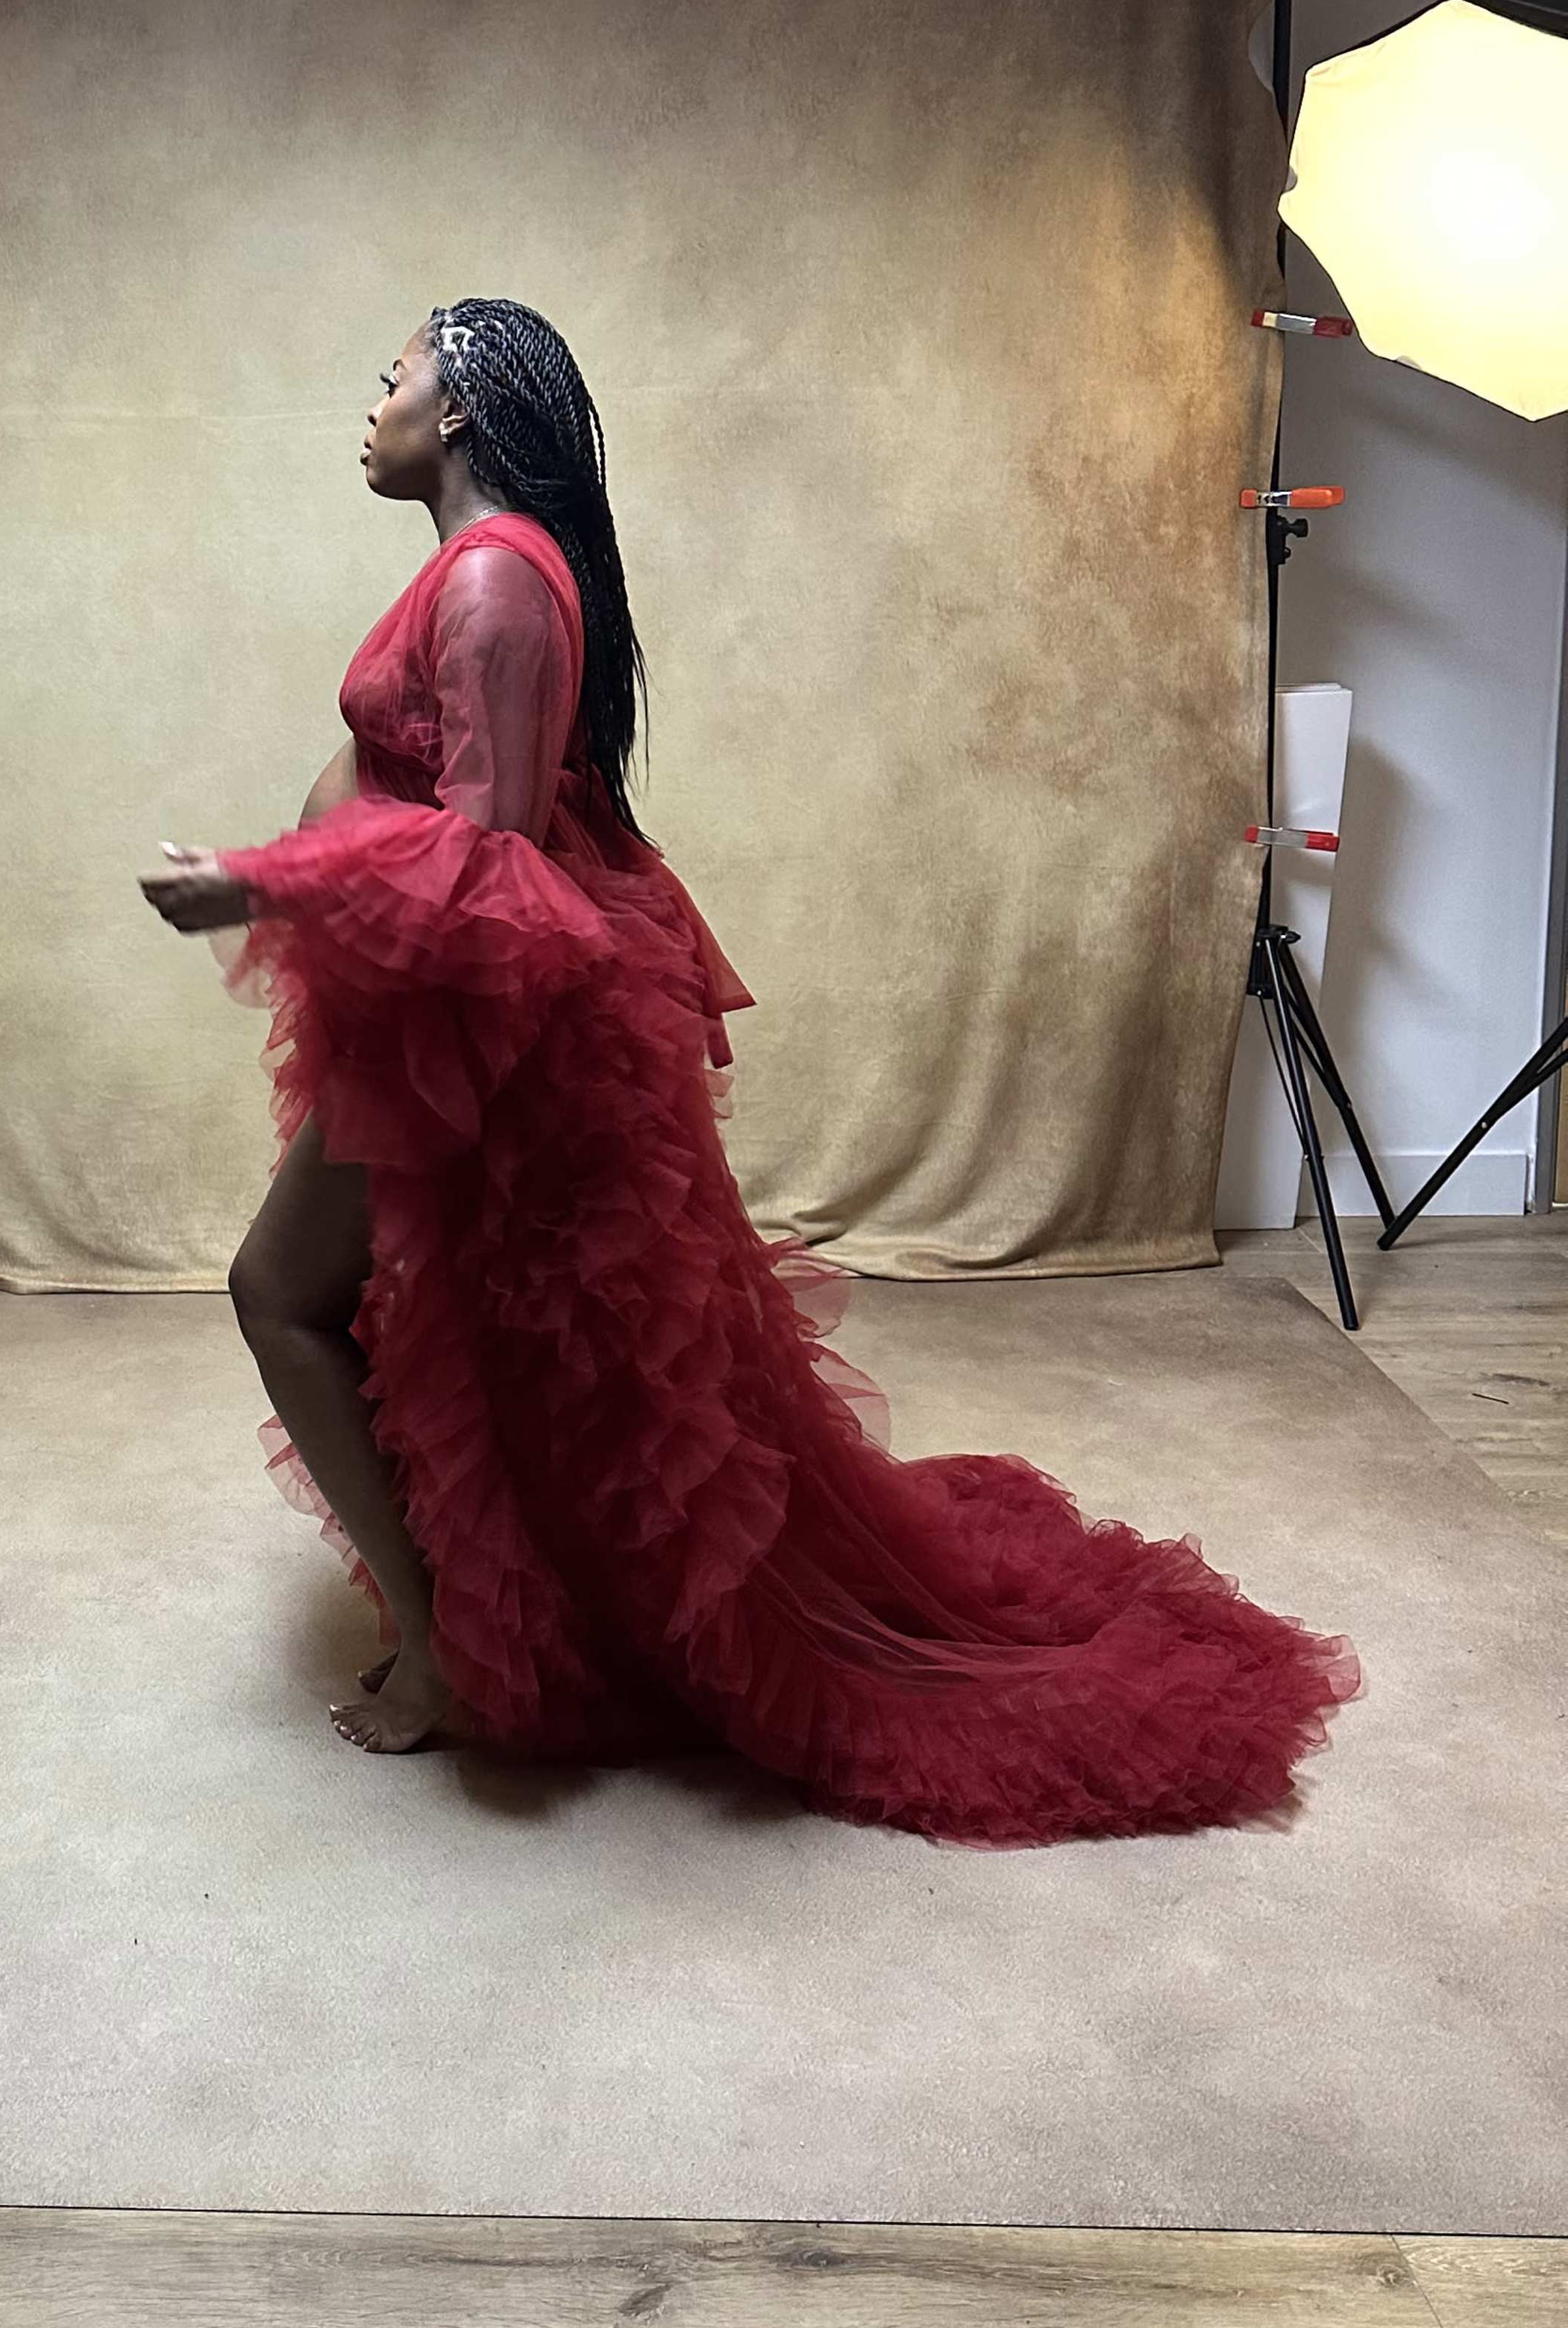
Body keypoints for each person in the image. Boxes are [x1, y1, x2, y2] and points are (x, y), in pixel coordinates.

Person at [139, 298, 1360, 1845]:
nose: (367, 402)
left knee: (290, 1292)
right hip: (437, 1006)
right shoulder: (490, 571)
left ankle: (452, 1649)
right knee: (439, 1333)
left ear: (458, 409)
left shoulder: (501, 579)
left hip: (468, 1013)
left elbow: (488, 854)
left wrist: (270, 878)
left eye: (391, 376)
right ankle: (480, 1619)